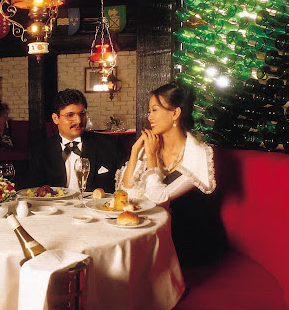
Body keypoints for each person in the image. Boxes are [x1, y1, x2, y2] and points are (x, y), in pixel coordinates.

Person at [117, 81, 226, 266]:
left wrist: (152, 157)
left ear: (175, 113)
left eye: (155, 110)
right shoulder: (151, 147)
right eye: (149, 111)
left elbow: (158, 198)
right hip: (158, 233)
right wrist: (135, 152)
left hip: (191, 240)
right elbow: (126, 194)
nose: (149, 116)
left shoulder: (197, 153)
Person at [25, 89, 126, 192]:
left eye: (82, 114)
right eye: (70, 115)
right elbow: (34, 192)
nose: (78, 120)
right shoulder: (40, 151)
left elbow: (125, 186)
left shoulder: (111, 145)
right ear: (55, 118)